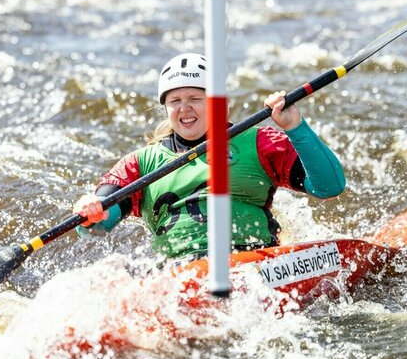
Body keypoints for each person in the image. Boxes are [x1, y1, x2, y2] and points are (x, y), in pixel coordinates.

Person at [73, 53, 345, 262]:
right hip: (178, 273)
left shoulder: (258, 143)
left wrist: (295, 126)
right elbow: (98, 226)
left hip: (252, 261)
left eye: (195, 98)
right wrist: (92, 211)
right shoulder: (141, 163)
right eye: (175, 100)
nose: (184, 108)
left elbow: (329, 186)